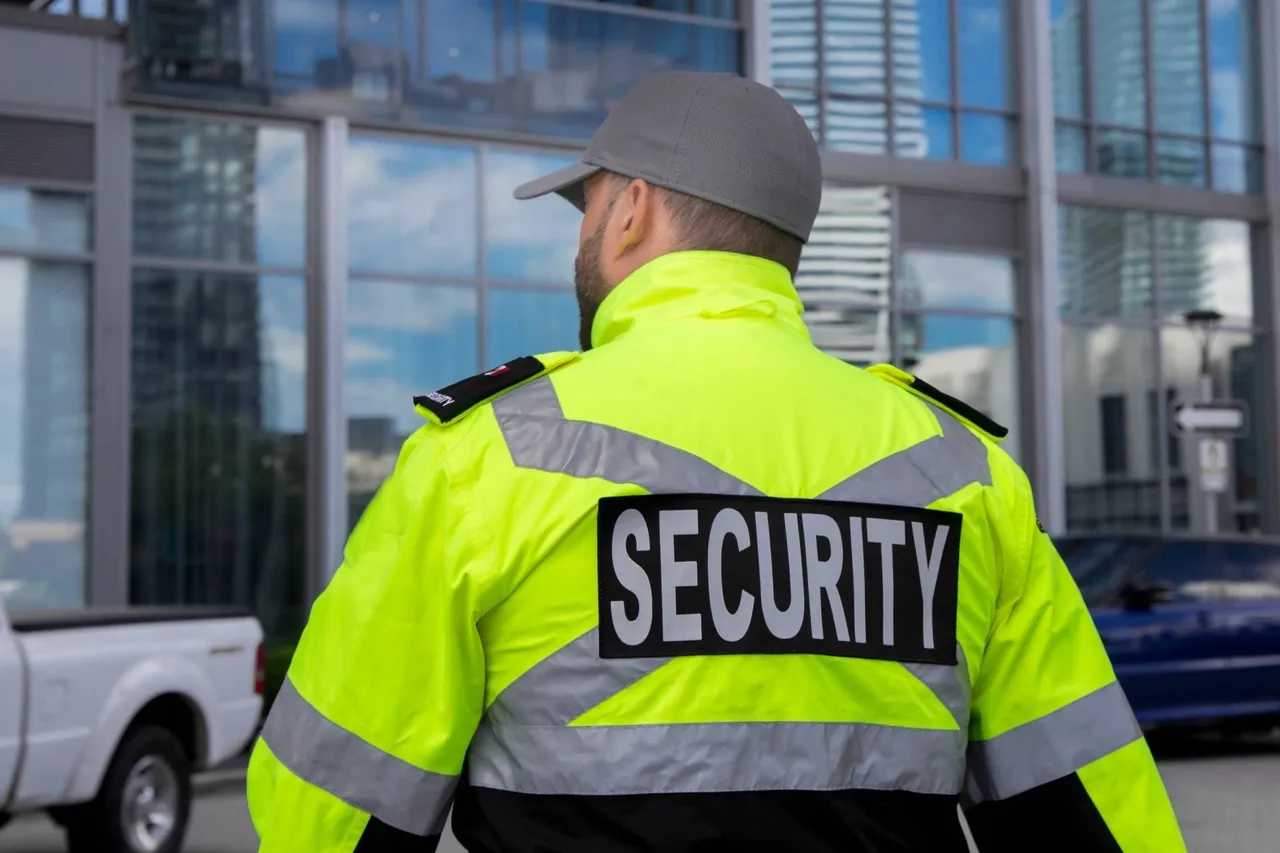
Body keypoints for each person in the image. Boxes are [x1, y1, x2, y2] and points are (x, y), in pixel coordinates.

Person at [246, 70, 1186, 853]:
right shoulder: (963, 472)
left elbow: (329, 805)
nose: (582, 236)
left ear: (631, 214)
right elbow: (1093, 810)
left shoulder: (487, 455)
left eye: (588, 209)